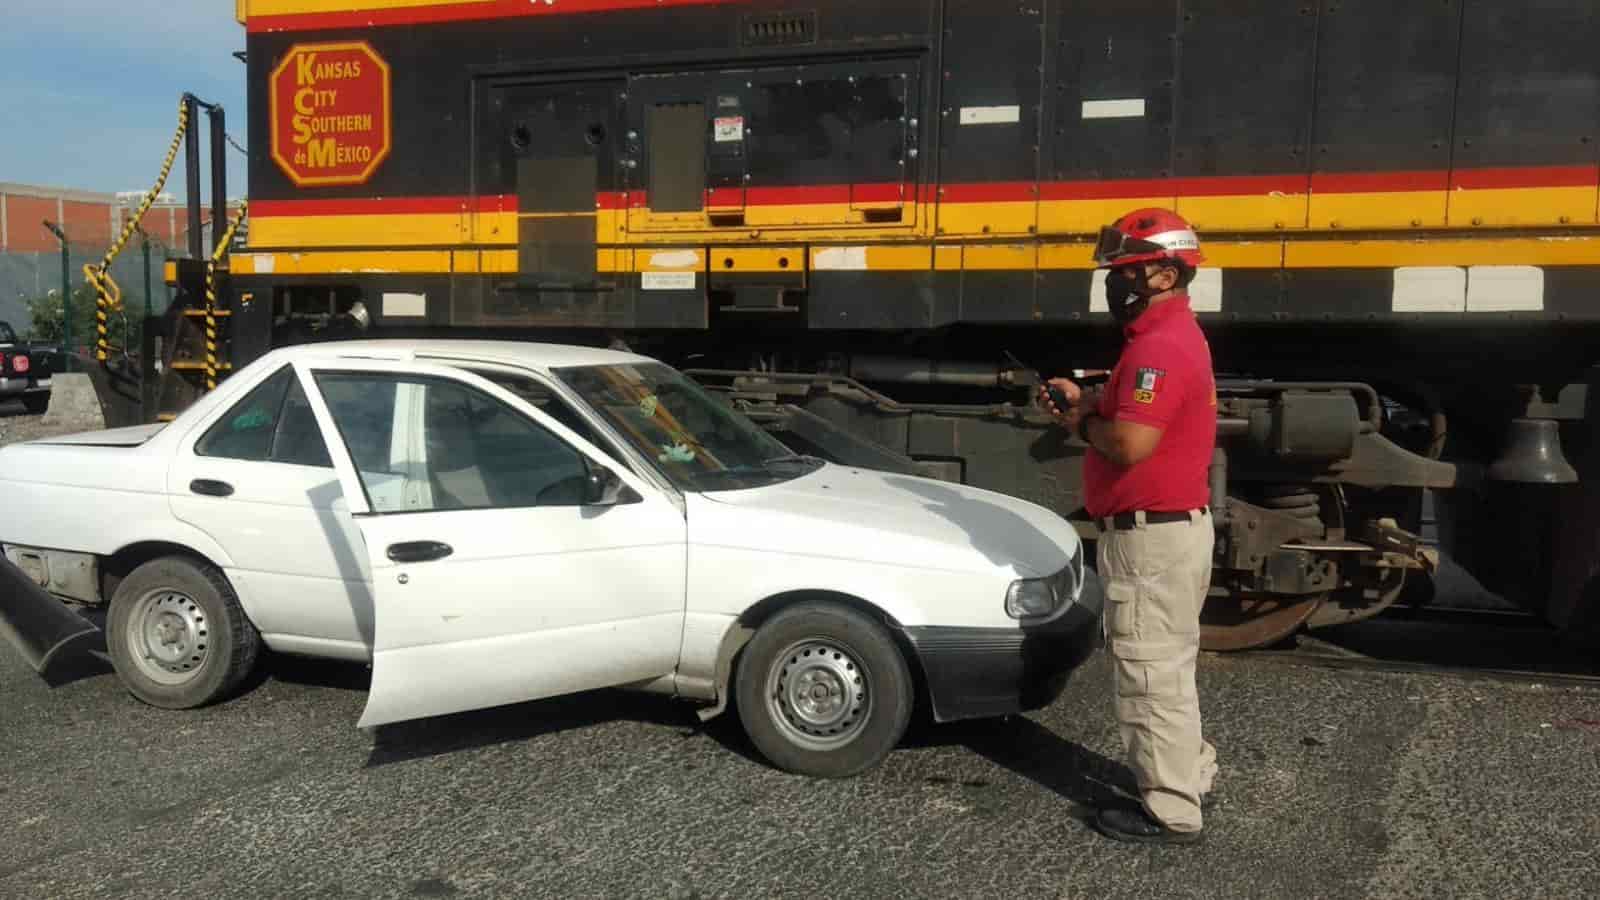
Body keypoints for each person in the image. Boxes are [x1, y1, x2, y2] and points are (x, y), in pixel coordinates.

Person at [1041, 207, 1219, 845]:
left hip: (1152, 540)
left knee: (1150, 671)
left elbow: (1130, 444)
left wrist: (1077, 423)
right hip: (1172, 531)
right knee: (1171, 665)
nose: (1117, 284)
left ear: (1167, 274)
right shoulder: (1168, 338)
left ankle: (1171, 811)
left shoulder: (1158, 348)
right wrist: (1090, 400)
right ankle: (1188, 775)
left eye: (1128, 272)